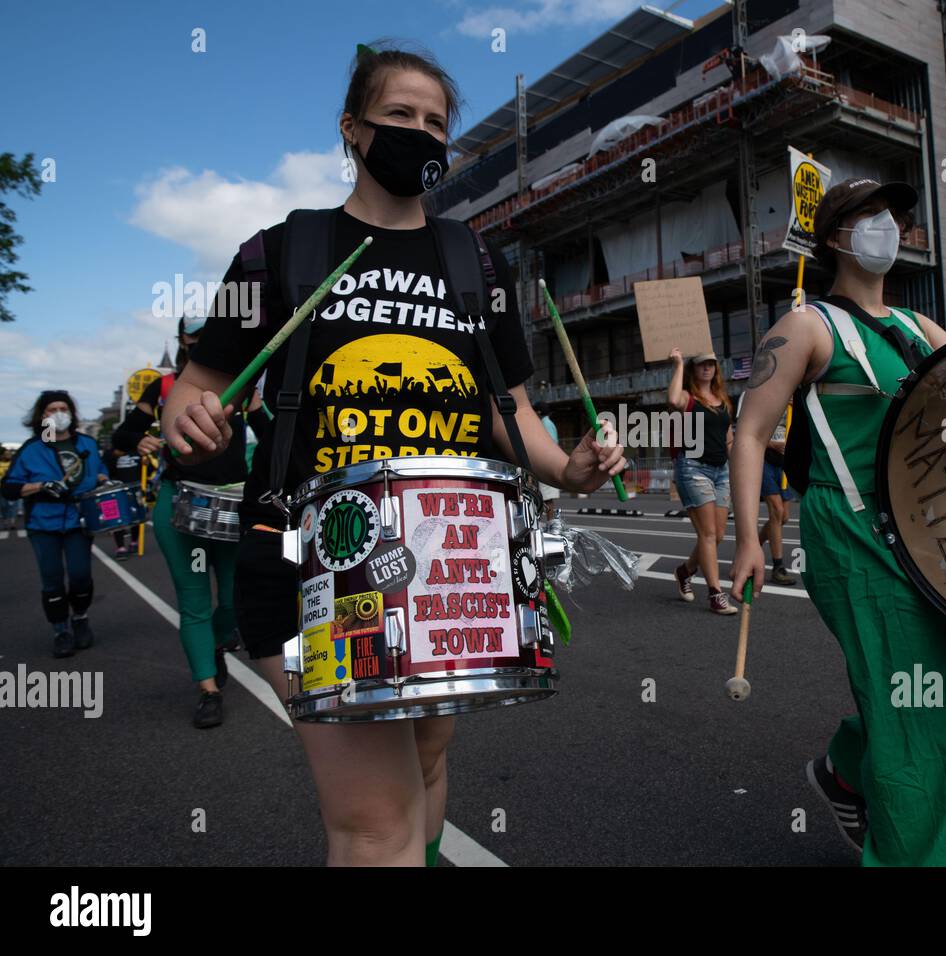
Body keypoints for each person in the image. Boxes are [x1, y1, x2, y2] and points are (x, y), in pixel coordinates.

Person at [161, 41, 624, 866]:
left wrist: (571, 467)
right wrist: (192, 420)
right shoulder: (276, 252)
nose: (419, 133)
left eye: (435, 122)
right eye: (398, 116)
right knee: (375, 825)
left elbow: (509, 412)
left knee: (427, 758)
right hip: (314, 563)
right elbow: (195, 388)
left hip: (455, 561)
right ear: (351, 128)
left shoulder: (475, 260)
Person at [729, 178, 946, 866]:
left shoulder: (921, 329)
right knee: (916, 720)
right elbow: (748, 430)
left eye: (895, 216)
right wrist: (747, 541)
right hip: (853, 531)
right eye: (869, 216)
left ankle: (846, 767)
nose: (888, 225)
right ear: (835, 237)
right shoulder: (807, 325)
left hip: (939, 531)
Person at [115, 317, 272, 728]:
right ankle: (208, 690)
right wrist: (139, 439)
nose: (200, 341)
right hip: (181, 502)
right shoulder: (164, 387)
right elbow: (123, 436)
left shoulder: (244, 384)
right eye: (193, 335)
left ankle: (218, 645)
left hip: (233, 505)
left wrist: (254, 407)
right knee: (194, 601)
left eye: (208, 334)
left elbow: (273, 439)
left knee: (232, 602)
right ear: (182, 339)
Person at [1, 391, 109, 657]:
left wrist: (104, 479)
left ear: (71, 412)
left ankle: (80, 619)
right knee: (52, 580)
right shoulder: (32, 448)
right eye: (52, 409)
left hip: (80, 520)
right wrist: (40, 486)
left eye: (63, 407)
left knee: (81, 575)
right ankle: (61, 630)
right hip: (43, 522)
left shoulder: (87, 443)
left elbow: (101, 471)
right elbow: (9, 488)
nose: (58, 413)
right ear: (42, 415)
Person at [668, 346, 737, 614]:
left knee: (717, 535)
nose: (707, 367)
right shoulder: (688, 398)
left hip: (721, 471)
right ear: (693, 369)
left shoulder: (722, 399)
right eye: (701, 364)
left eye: (711, 363)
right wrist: (677, 365)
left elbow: (728, 438)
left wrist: (737, 470)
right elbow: (673, 400)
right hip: (693, 468)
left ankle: (685, 572)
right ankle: (715, 594)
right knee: (707, 534)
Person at [760, 402, 797, 585]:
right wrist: (771, 444)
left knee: (784, 517)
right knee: (776, 511)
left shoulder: (795, 402)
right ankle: (778, 567)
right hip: (764, 461)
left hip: (784, 463)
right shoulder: (762, 397)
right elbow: (748, 434)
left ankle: (754, 545)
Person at [535, 401, 562, 520]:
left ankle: (549, 523)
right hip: (548, 463)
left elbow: (550, 444)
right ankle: (547, 522)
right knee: (544, 497)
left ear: (538, 412)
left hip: (547, 464)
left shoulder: (545, 423)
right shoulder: (546, 423)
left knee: (546, 498)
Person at [0, 448, 19, 531]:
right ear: (3, 455)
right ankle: (5, 521)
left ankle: (12, 523)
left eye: (9, 454)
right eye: (6, 454)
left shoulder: (14, 464)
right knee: (3, 506)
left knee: (13, 505)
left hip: (12, 487)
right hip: (1, 488)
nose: (8, 455)